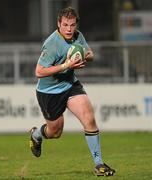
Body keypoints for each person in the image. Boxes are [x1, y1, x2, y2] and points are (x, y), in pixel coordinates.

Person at [29, 6, 115, 176]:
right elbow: (38, 72)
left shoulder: (78, 35)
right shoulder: (52, 44)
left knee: (89, 119)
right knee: (55, 132)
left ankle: (99, 165)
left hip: (70, 85)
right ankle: (37, 134)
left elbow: (90, 54)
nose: (69, 29)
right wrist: (66, 65)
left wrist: (84, 56)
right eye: (66, 25)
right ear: (58, 24)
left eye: (72, 25)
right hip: (49, 92)